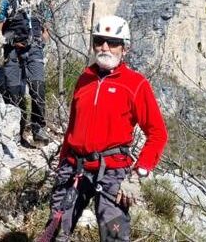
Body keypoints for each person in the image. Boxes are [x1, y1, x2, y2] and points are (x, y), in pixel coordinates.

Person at [42, 15, 168, 241]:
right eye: (99, 41)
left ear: (124, 48)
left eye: (113, 42)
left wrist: (139, 174)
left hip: (112, 172)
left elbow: (157, 133)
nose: (105, 47)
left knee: (115, 235)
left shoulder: (135, 84)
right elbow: (72, 127)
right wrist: (62, 162)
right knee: (56, 230)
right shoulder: (84, 79)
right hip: (74, 167)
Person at [0, 0, 51, 147]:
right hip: (12, 50)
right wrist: (6, 42)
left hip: (34, 49)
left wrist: (42, 42)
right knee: (14, 91)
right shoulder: (8, 2)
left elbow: (45, 29)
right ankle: (17, 130)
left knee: (37, 86)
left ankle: (38, 128)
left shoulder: (40, 4)